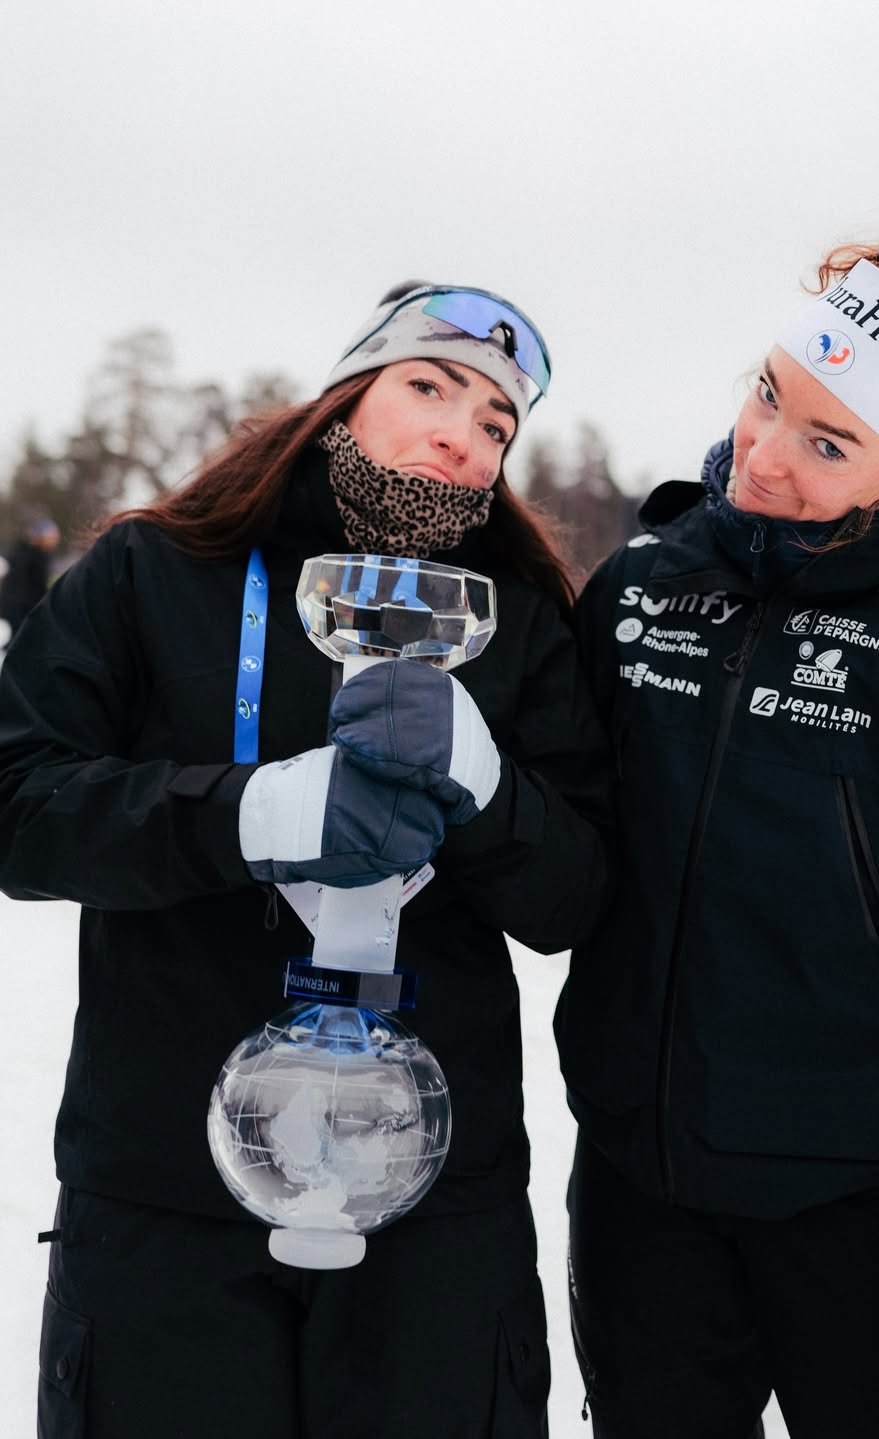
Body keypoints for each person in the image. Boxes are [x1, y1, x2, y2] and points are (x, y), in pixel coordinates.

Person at [0, 282, 613, 1438]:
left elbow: (576, 894)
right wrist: (247, 813)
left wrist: (491, 792)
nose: (461, 433)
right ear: (345, 396)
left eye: (496, 422)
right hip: (166, 1194)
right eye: (428, 386)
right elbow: (19, 805)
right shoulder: (154, 570)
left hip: (431, 1202)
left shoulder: (519, 618)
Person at [555, 182, 879, 1438]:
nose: (764, 454)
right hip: (640, 1209)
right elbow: (551, 848)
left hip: (863, 1228)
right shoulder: (641, 589)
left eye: (830, 444)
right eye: (768, 394)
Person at [0, 514, 60, 645]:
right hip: (27, 613)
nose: (55, 540)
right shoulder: (39, 557)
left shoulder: (16, 552)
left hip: (11, 612)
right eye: (53, 536)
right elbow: (40, 588)